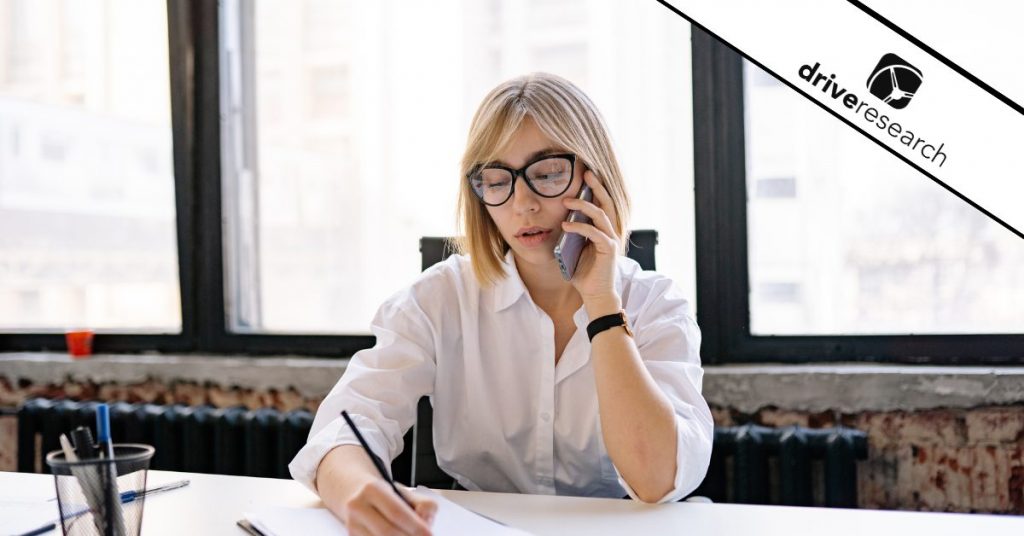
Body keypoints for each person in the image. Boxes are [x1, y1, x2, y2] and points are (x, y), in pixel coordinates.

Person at [289, 72, 713, 536]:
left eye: (548, 173)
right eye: (497, 180)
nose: (522, 204)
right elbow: (345, 428)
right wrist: (358, 494)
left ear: (595, 179)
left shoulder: (655, 304)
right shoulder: (439, 298)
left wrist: (601, 304)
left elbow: (657, 479)